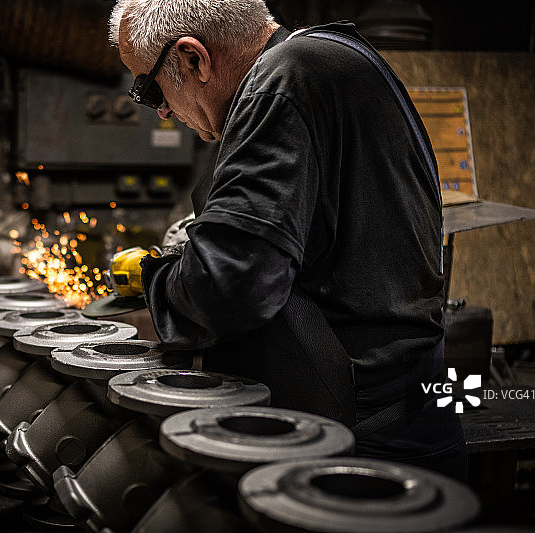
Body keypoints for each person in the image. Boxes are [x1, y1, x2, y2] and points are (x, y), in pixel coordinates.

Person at [108, 0, 467, 481]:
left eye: (150, 89)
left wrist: (157, 279)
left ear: (194, 58)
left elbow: (228, 287)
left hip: (364, 441)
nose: (165, 111)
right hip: (401, 413)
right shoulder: (332, 57)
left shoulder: (283, 82)